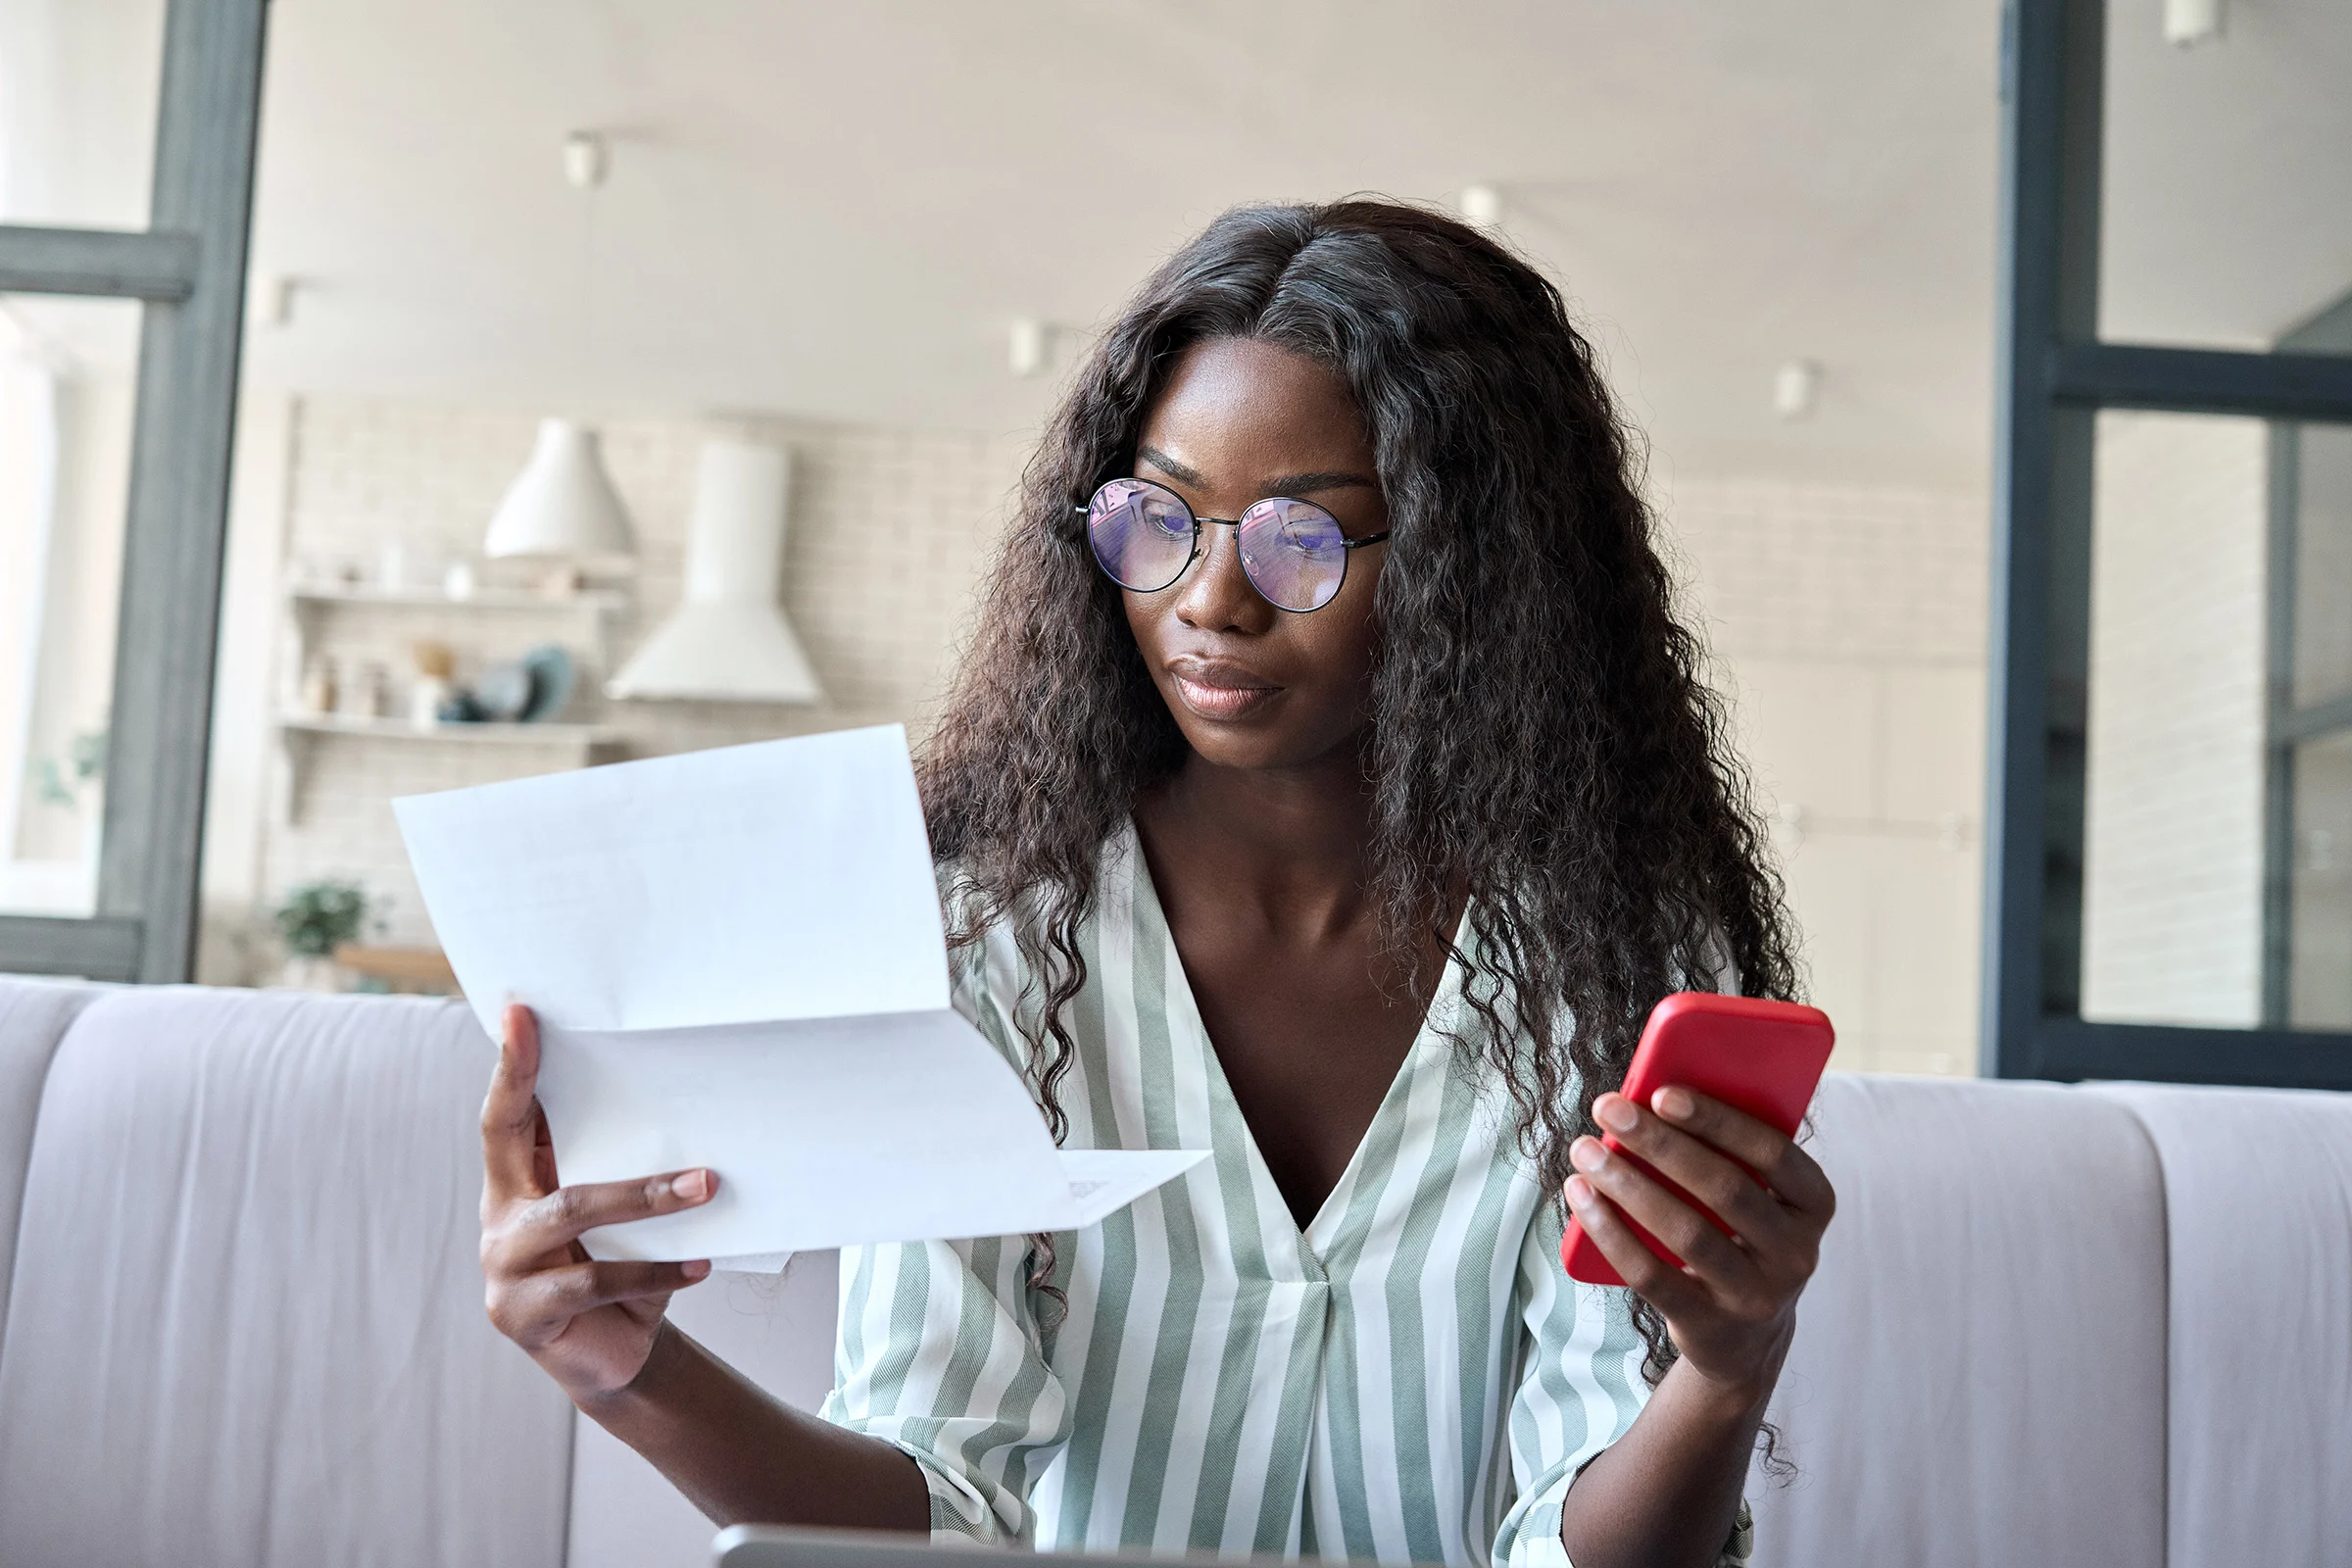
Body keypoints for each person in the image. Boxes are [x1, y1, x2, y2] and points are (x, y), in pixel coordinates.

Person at [478, 199, 1834, 1568]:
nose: (1208, 598)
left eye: (1302, 539)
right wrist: (630, 1375)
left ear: (1475, 572)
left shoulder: (1613, 962)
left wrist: (1724, 1371)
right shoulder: (989, 945)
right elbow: (938, 1496)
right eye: (1157, 518)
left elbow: (1577, 1535)